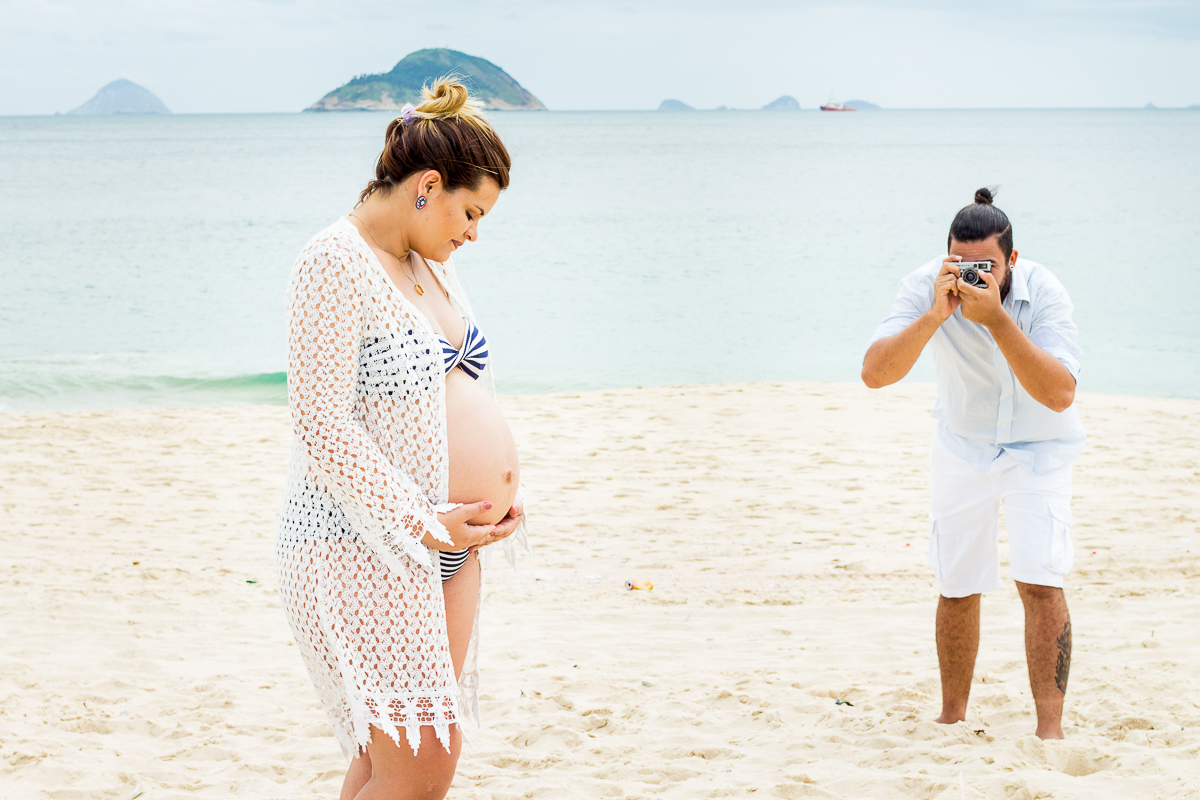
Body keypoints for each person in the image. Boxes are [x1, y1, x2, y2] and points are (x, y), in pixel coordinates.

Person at [275, 77, 529, 799]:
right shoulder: (333, 261)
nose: (473, 233)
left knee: (389, 765)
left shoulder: (428, 268)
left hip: (445, 551)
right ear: (427, 185)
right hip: (362, 548)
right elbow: (319, 422)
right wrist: (421, 520)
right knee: (422, 768)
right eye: (471, 211)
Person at [861, 187, 1085, 739]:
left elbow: (1059, 394)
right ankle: (952, 715)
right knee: (957, 582)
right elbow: (874, 374)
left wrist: (998, 322)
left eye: (986, 265)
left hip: (1040, 449)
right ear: (947, 258)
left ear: (1011, 259)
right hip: (962, 444)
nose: (973, 275)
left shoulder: (1046, 291)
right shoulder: (925, 285)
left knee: (1040, 580)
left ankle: (1049, 731)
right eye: (962, 264)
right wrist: (936, 316)